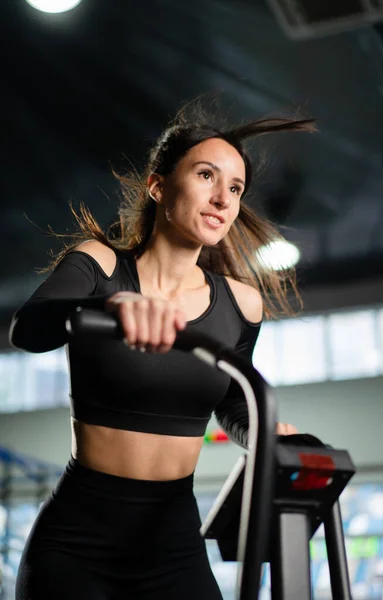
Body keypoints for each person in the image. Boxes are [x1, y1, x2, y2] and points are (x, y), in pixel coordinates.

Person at [9, 103, 315, 600]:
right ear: (158, 186)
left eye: (235, 188)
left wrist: (263, 432)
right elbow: (30, 329)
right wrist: (113, 307)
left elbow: (233, 402)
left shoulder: (241, 304)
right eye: (205, 175)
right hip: (77, 543)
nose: (222, 197)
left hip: (172, 544)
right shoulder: (100, 265)